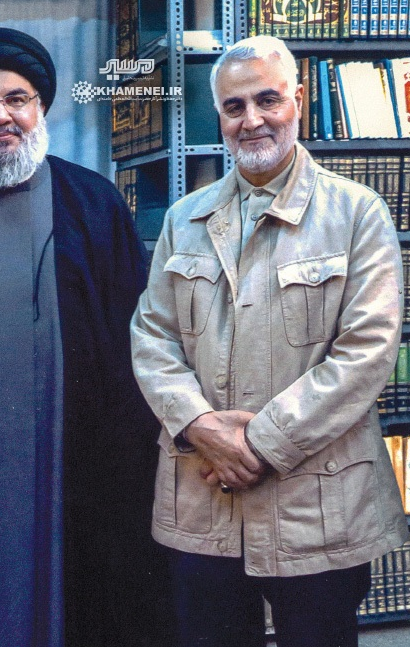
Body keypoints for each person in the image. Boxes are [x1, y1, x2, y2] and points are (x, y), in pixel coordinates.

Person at [131, 34, 409, 647]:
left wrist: (255, 444)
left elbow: (367, 352)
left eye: (268, 100)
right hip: (203, 504)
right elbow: (152, 335)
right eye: (234, 107)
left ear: (298, 101)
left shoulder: (357, 213)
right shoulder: (184, 219)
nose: (252, 120)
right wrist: (199, 425)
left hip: (318, 509)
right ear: (219, 117)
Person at [0, 27, 171, 647]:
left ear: (41, 107)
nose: (1, 116)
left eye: (16, 100)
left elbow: (139, 340)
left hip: (81, 462)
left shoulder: (96, 204)